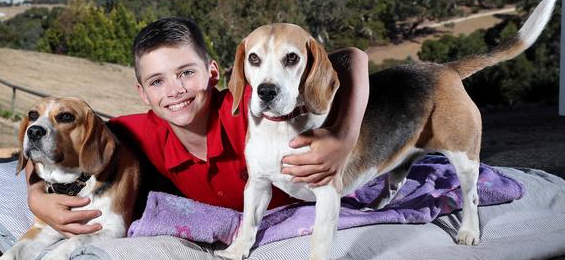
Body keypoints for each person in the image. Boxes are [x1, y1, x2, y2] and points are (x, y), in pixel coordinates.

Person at [26, 17, 369, 237]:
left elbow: (354, 57)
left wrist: (343, 137)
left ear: (214, 73)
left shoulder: (250, 106)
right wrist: (35, 196)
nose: (174, 90)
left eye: (186, 73)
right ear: (143, 94)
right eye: (157, 81)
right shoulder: (137, 132)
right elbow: (51, 137)